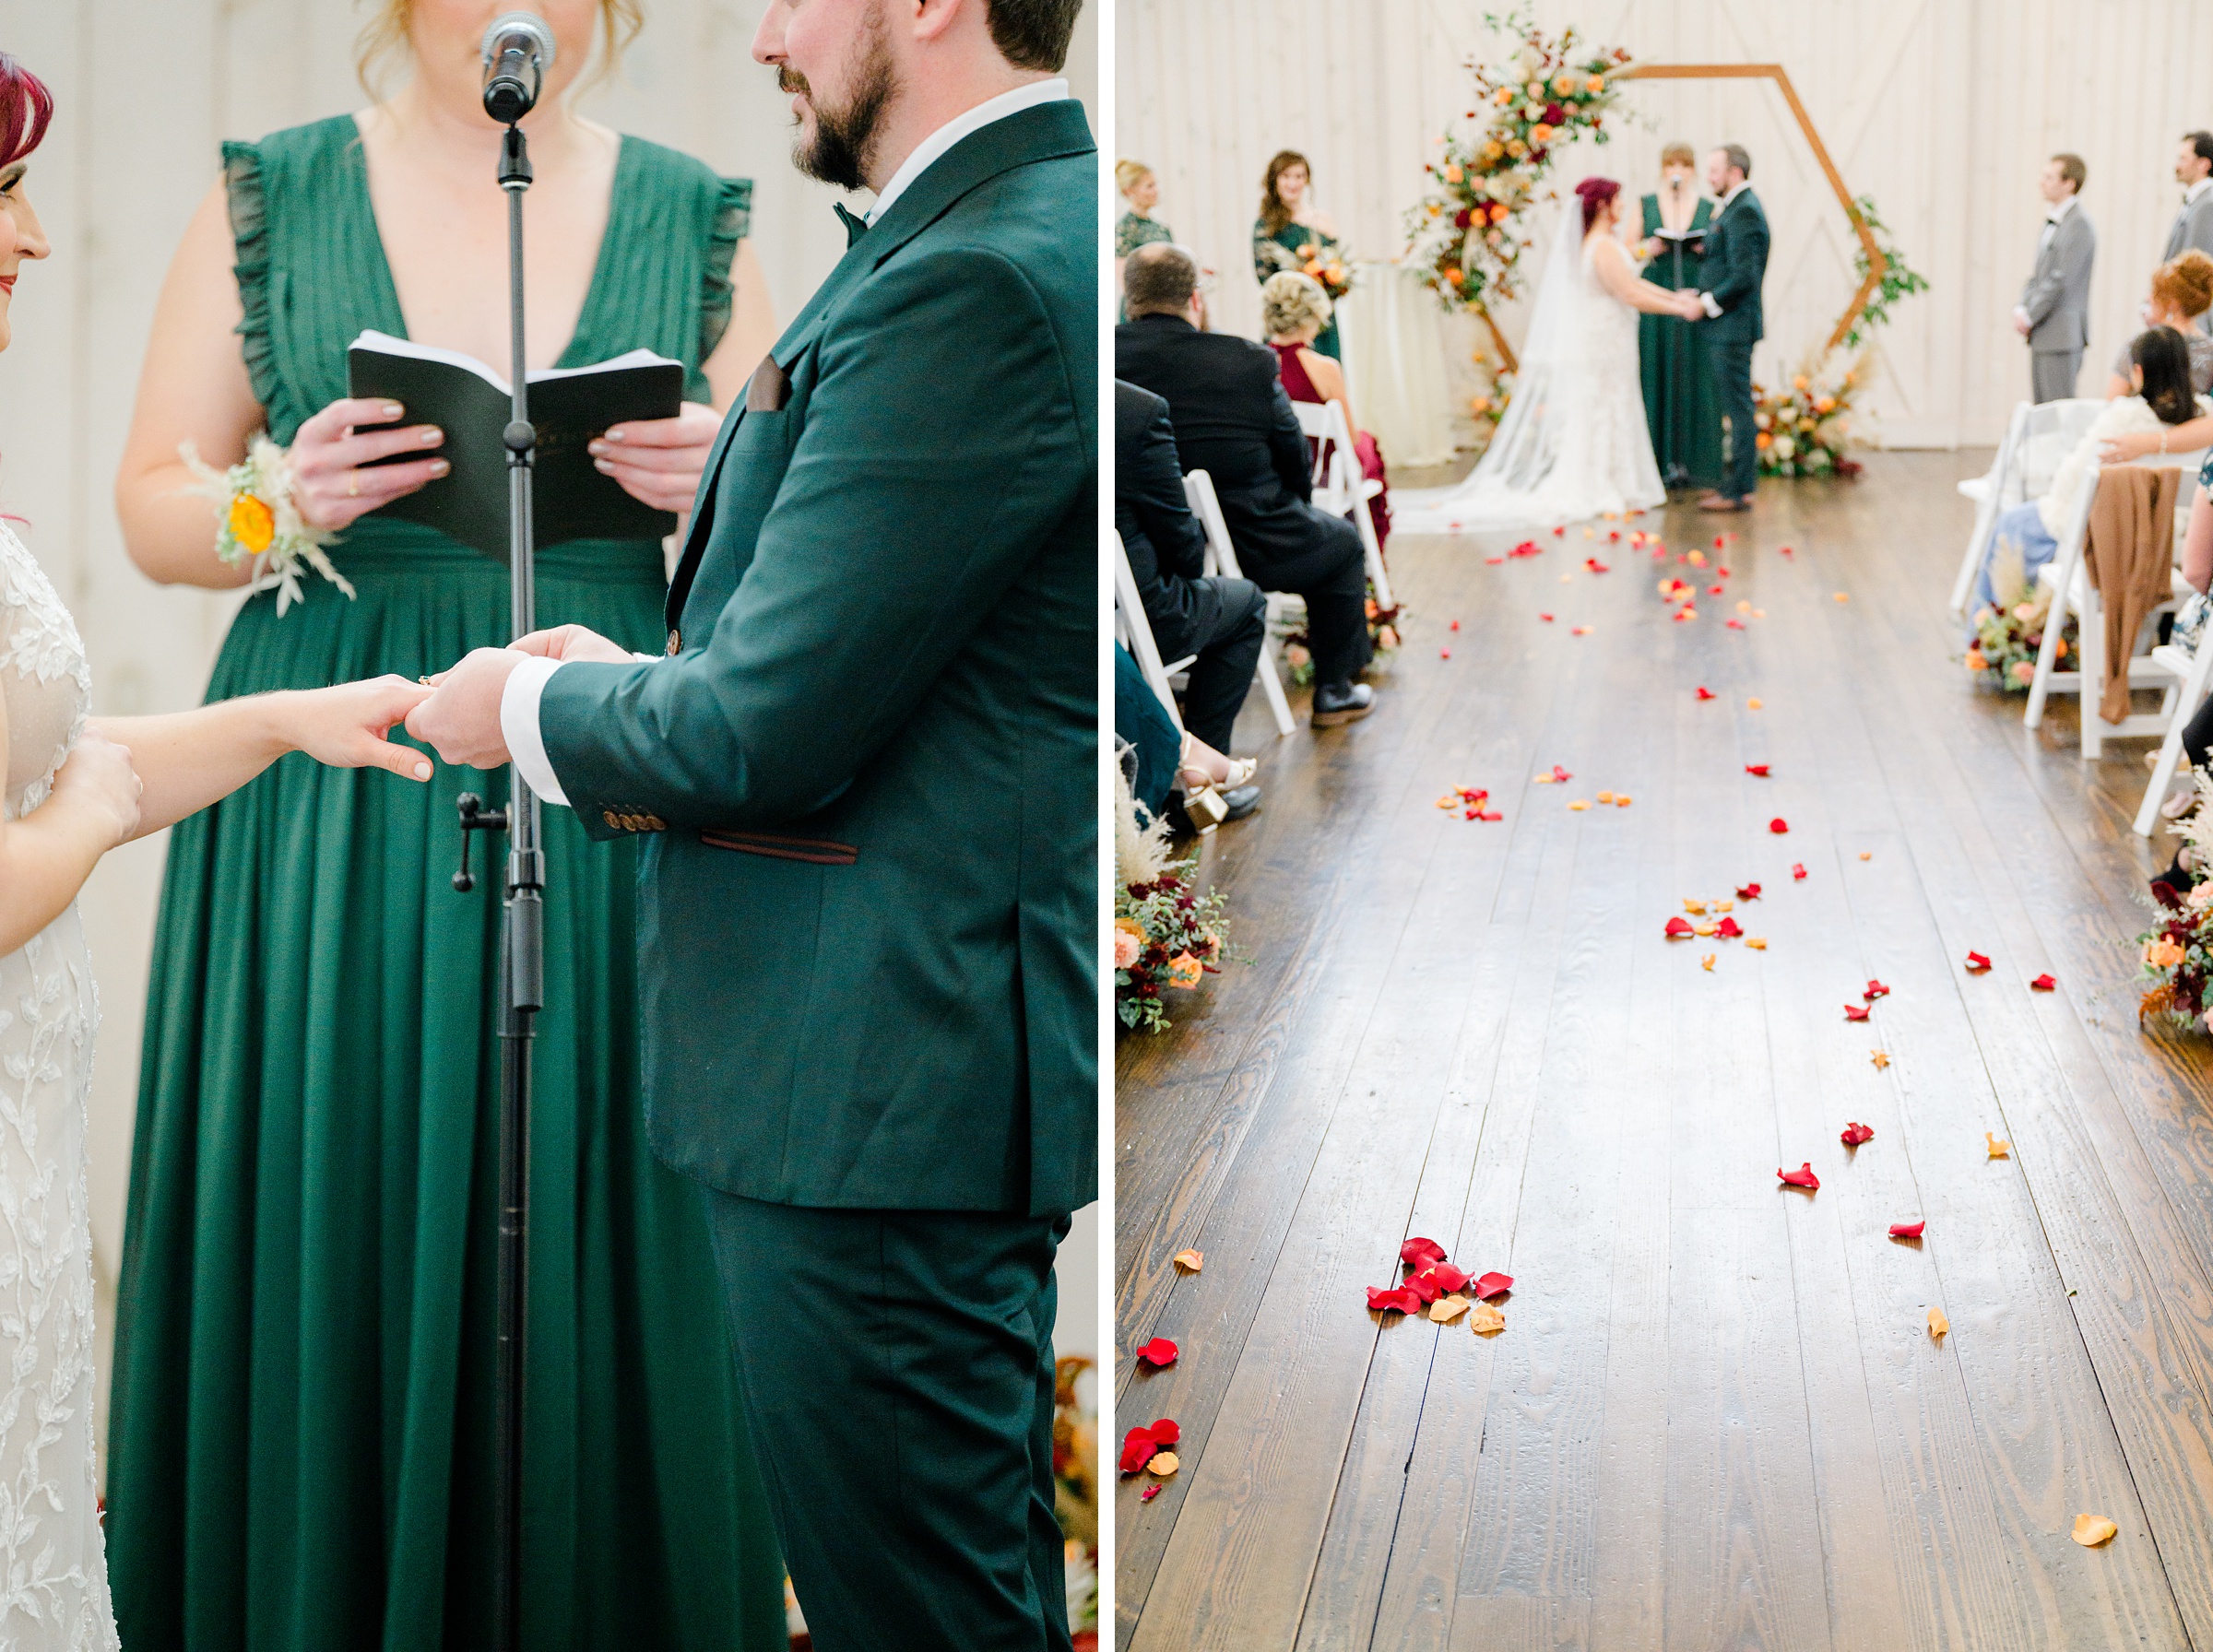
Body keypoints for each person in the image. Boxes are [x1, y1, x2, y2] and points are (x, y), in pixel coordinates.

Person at [406, 1, 1096, 1646]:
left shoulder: (975, 275)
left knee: (912, 1610)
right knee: (962, 1581)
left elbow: (763, 731)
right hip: (885, 1065)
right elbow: (864, 662)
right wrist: (642, 668)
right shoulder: (975, 236)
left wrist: (514, 705)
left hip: (870, 1080)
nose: (767, 34)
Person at [103, 2, 787, 1645]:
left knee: (607, 1183)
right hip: (341, 759)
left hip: (607, 731)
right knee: (338, 1160)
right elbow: (152, 505)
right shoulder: (268, 192)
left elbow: (806, 541)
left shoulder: (698, 207)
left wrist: (725, 478)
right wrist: (279, 496)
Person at [0, 56, 444, 1648]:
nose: (36, 238)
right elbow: (28, 837)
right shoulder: (278, 192)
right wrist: (79, 816)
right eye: (3, 197)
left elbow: (61, 776)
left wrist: (283, 721)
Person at [1118, 242, 1376, 727]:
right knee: (1341, 543)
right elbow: (1294, 455)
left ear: (1128, 299)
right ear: (1195, 298)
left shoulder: (1103, 359)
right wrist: (1299, 507)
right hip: (1257, 538)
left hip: (1146, 554)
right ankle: (1335, 690)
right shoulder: (1246, 360)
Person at [1394, 177, 1700, 535]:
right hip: (1604, 343)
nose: (1623, 206)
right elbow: (1629, 292)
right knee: (1604, 407)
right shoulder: (1601, 246)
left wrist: (1675, 298)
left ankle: (1614, 481)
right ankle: (1602, 483)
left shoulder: (1603, 244)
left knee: (1611, 406)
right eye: (1618, 200)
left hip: (1608, 340)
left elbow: (1633, 282)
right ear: (1602, 205)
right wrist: (1679, 309)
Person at [1970, 327, 2201, 619]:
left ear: (2139, 372)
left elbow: (2072, 479)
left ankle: (1993, 629)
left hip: (2102, 533)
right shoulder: (2203, 420)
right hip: (2169, 536)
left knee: (2012, 524)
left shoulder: (2123, 418)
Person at [1115, 378, 1265, 819]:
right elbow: (1180, 538)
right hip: (1139, 616)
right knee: (1247, 604)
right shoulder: (1135, 409)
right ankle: (1194, 785)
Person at [1261, 269, 1391, 551]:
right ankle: (1363, 555)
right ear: (1313, 315)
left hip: (1273, 472)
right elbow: (1349, 438)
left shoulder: (1255, 363)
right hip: (1320, 476)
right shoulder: (1324, 368)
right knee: (1367, 445)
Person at [1685, 143, 1769, 513]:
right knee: (1734, 407)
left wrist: (1705, 303)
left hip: (1732, 328)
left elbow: (1744, 277)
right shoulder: (1735, 208)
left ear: (1735, 172)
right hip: (1727, 327)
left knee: (1738, 410)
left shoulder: (1745, 212)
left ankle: (1738, 491)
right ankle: (1734, 485)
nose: (1709, 177)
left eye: (1715, 170)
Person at [1637, 140, 1723, 490]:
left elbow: (1722, 250)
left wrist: (1707, 247)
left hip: (1692, 290)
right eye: (1671, 163)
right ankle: (1656, 459)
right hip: (1657, 290)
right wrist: (1648, 247)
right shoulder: (1645, 205)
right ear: (1662, 169)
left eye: (1684, 165)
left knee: (1695, 371)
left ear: (1692, 171)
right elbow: (1627, 248)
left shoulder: (1708, 207)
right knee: (1656, 370)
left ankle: (1695, 460)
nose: (1678, 171)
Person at [2013, 152, 2096, 403]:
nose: (2042, 182)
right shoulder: (2052, 221)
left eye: (2049, 177)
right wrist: (2021, 306)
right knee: (2041, 412)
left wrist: (2030, 314)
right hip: (2043, 332)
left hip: (2061, 334)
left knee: (2057, 411)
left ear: (2069, 183)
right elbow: (2038, 275)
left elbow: (2061, 279)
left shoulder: (2079, 224)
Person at [1252, 150, 1345, 360]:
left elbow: (1338, 266)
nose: (1293, 183)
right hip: (1287, 319)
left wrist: (1330, 281)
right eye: (1286, 176)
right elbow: (1264, 277)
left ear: (1307, 180)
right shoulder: (1264, 226)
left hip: (1321, 318)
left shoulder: (1323, 220)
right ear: (1275, 180)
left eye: (1299, 176)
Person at [2104, 251, 2213, 395]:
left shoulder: (2141, 345)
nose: (2149, 298)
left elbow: (2113, 401)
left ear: (2173, 303)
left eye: (2156, 293)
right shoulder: (2209, 350)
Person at [2165, 132, 2213, 272]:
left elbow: (2193, 267)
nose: (2177, 165)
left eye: (2183, 159)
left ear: (2203, 164)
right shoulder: (2194, 201)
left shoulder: (2207, 205)